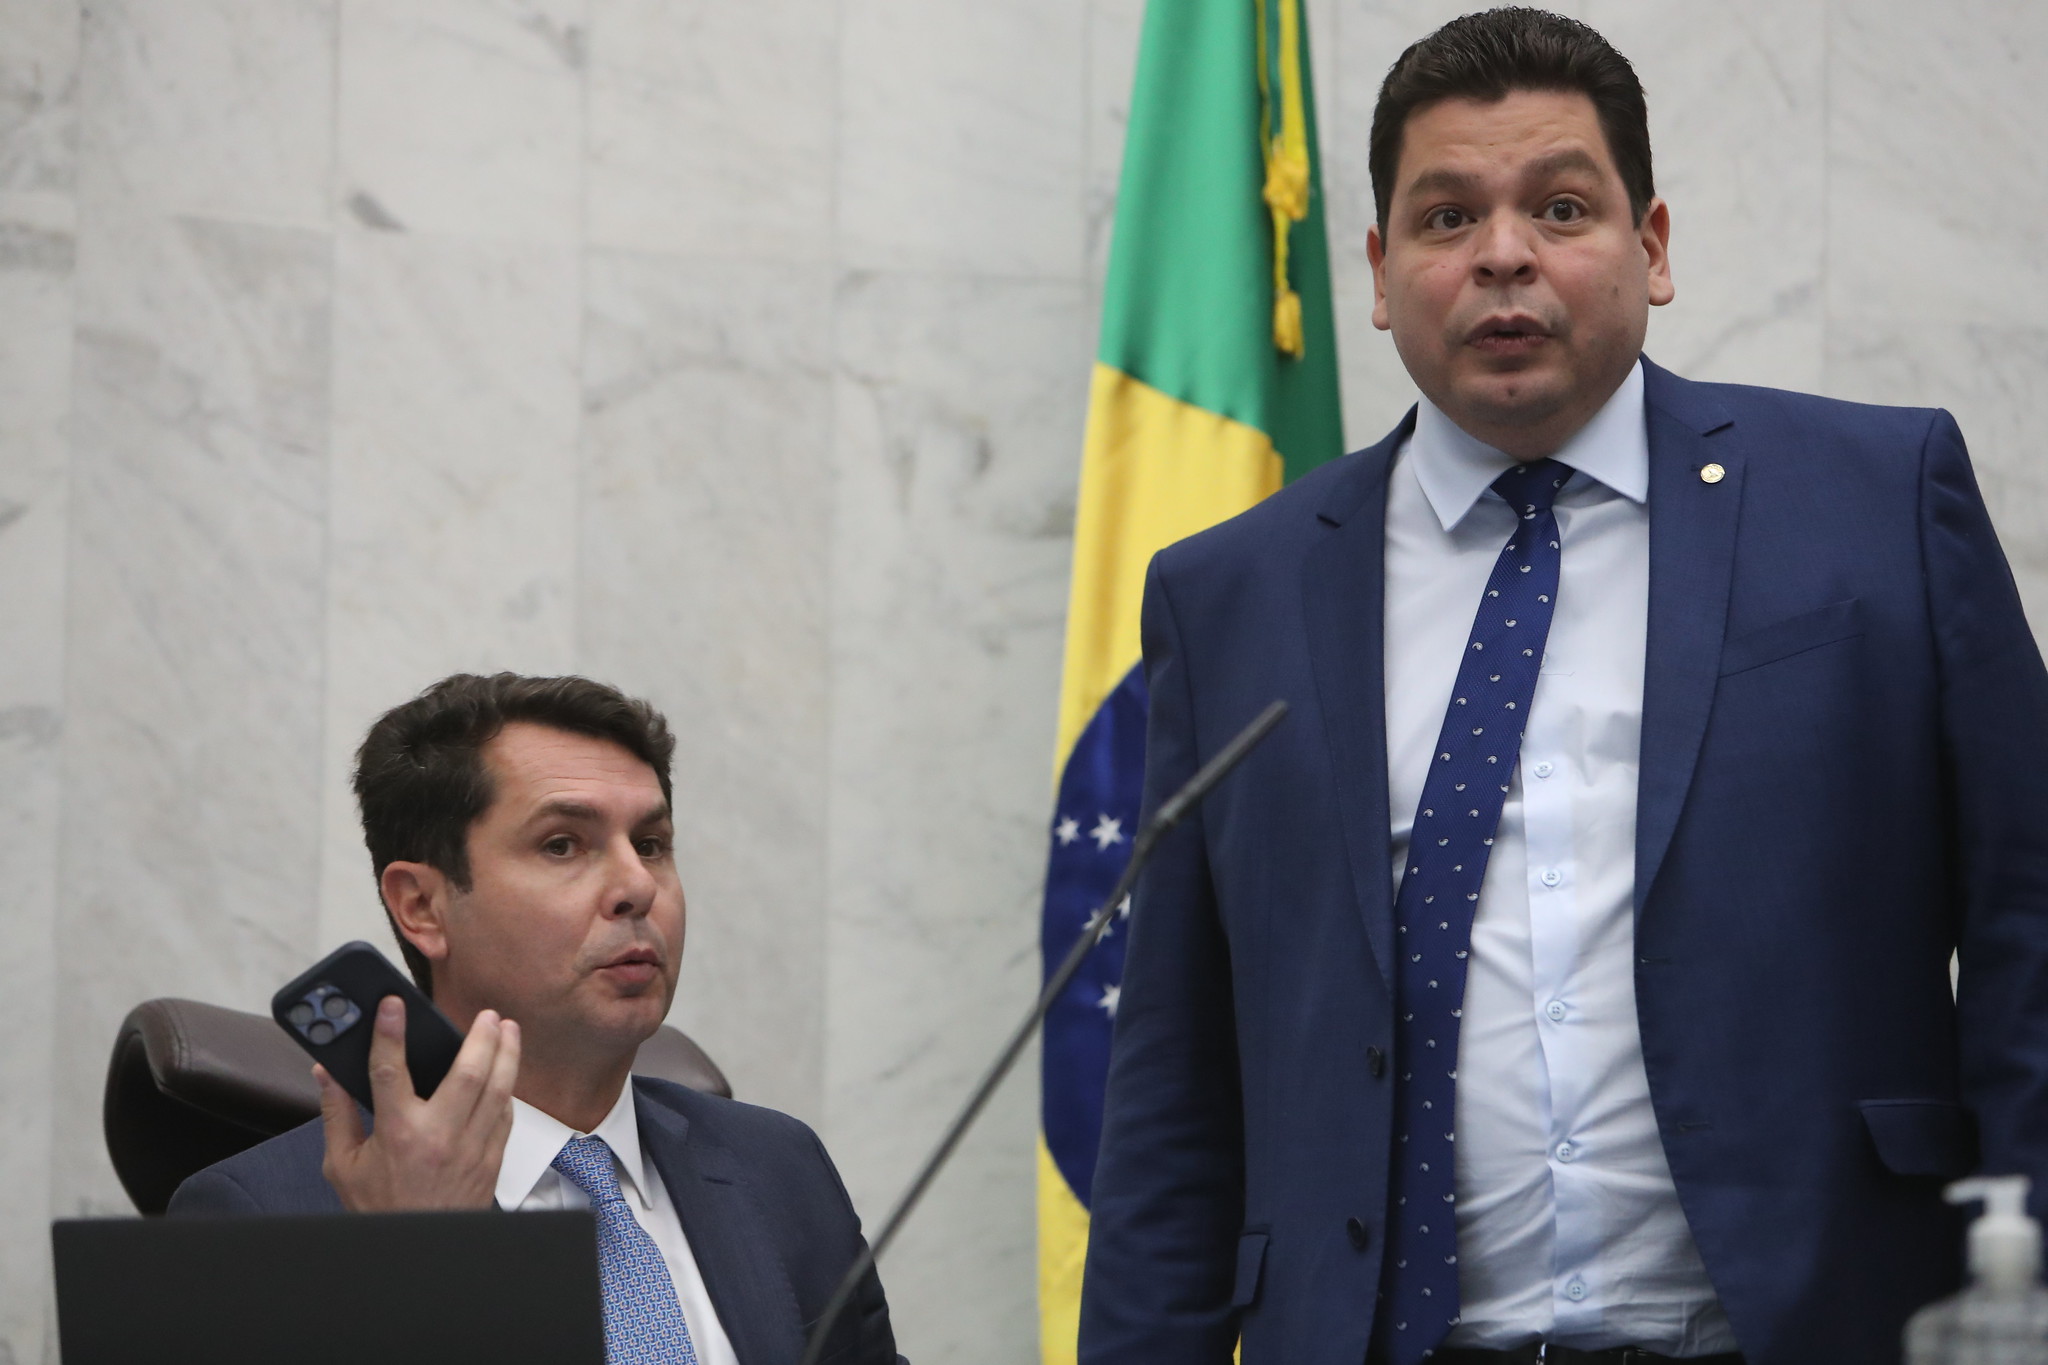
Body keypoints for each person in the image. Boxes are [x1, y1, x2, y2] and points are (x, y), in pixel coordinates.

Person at [1077, 9, 2048, 1365]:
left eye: (1562, 206)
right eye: (1446, 217)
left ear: (1651, 249)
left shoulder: (1875, 503)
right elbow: (1175, 1087)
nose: (1504, 254)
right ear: (1375, 269)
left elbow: (2029, 937)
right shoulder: (1232, 595)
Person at [170, 672, 905, 1365]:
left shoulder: (779, 1167)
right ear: (422, 906)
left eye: (651, 844)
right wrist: (414, 1265)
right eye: (563, 844)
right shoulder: (254, 1219)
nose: (637, 885)